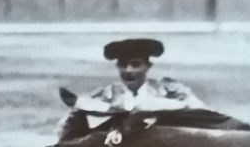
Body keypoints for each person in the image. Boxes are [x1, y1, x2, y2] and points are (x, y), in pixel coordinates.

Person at [57, 37, 210, 141]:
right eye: (123, 64)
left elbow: (202, 113)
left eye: (136, 64)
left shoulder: (172, 91)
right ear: (117, 66)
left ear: (148, 66)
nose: (128, 70)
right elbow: (66, 131)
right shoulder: (104, 95)